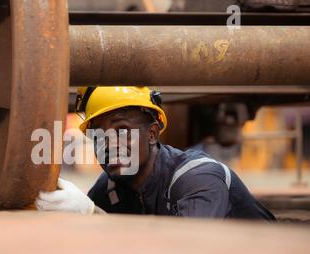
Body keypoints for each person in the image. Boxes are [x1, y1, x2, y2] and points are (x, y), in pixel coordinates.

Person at [36, 86, 275, 220]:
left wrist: (91, 214)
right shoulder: (109, 189)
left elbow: (188, 248)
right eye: (98, 135)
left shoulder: (198, 178)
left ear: (152, 134)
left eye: (122, 131)